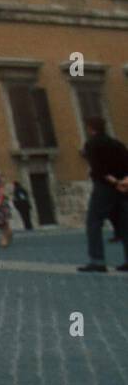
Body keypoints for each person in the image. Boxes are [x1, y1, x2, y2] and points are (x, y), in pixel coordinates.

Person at [76, 117, 128, 273]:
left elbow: (99, 169)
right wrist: (124, 182)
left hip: (104, 188)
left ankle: (98, 261)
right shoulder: (117, 144)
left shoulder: (92, 144)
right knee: (125, 224)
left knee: (94, 222)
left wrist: (114, 182)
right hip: (123, 189)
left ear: (90, 128)